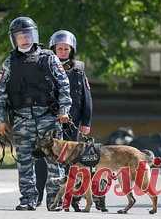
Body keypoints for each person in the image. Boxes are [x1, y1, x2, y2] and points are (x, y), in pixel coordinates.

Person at [0, 17, 72, 211]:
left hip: (48, 117)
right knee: (25, 163)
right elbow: (0, 93)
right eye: (20, 36)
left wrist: (64, 111)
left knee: (54, 161)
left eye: (27, 35)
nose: (25, 39)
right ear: (14, 39)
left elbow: (64, 86)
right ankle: (28, 199)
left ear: (34, 35)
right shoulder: (9, 62)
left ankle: (54, 201)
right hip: (22, 119)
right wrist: (1, 120)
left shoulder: (48, 57)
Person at [35, 30, 107, 212]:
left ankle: (70, 197)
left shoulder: (78, 69)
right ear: (53, 49)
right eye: (59, 48)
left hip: (71, 122)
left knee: (72, 161)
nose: (63, 52)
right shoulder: (44, 65)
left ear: (71, 50)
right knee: (45, 158)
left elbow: (86, 96)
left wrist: (86, 122)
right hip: (49, 121)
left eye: (66, 49)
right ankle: (37, 194)